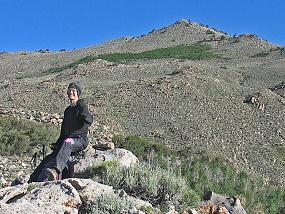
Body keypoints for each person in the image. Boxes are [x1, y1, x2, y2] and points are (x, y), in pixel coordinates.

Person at [30, 81, 93, 182]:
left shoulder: (82, 107)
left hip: (80, 140)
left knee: (68, 142)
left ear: (78, 93)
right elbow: (63, 131)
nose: (71, 92)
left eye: (74, 91)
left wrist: (81, 106)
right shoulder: (67, 110)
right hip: (66, 139)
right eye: (69, 90)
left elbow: (89, 120)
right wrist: (57, 144)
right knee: (48, 159)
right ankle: (32, 180)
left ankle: (55, 171)